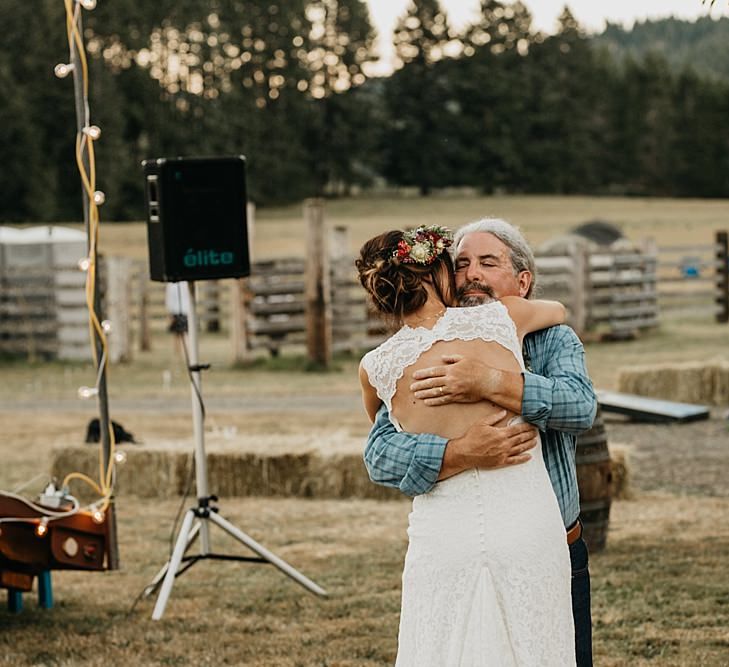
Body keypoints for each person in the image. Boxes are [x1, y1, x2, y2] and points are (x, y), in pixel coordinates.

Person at [363, 218, 597, 666]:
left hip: (556, 546)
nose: (471, 274)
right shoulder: (408, 357)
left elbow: (579, 408)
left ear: (523, 281)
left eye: (488, 263)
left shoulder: (552, 339)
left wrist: (489, 381)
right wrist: (459, 452)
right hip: (462, 538)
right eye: (462, 262)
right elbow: (379, 455)